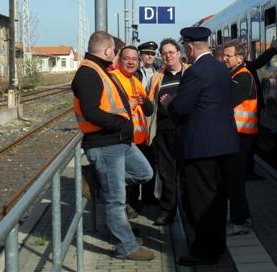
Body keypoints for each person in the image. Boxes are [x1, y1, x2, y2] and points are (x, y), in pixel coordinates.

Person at [160, 26, 239, 267]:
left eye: (184, 47)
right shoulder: (221, 68)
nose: (185, 51)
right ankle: (217, 246)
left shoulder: (195, 72)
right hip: (225, 145)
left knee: (200, 201)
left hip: (200, 147)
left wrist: (169, 103)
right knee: (217, 199)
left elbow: (182, 108)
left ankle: (203, 251)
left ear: (190, 47)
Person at [71, 31, 155, 261]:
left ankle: (98, 180)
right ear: (108, 50)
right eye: (115, 51)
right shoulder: (88, 73)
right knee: (116, 199)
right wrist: (120, 123)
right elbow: (91, 111)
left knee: (145, 173)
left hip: (120, 142)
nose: (116, 55)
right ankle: (125, 247)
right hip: (105, 143)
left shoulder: (102, 71)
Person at [146, 38, 189, 226]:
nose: (168, 56)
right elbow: (150, 103)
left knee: (188, 173)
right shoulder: (157, 77)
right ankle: (167, 211)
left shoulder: (191, 73)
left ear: (179, 53)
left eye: (171, 52)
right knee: (166, 172)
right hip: (163, 131)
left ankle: (189, 211)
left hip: (187, 130)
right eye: (164, 53)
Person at [110, 45, 156, 216]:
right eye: (127, 58)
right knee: (126, 182)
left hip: (139, 139)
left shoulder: (135, 81)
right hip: (123, 140)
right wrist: (125, 106)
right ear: (119, 60)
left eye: (134, 59)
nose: (131, 62)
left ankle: (133, 208)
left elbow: (149, 110)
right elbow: (105, 107)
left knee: (136, 181)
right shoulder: (113, 78)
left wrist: (144, 102)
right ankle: (125, 212)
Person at [222, 41, 257, 235]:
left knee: (235, 179)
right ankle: (242, 215)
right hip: (236, 134)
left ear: (239, 58)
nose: (224, 58)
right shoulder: (235, 74)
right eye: (224, 55)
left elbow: (226, 100)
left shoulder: (243, 77)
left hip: (241, 135)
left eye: (228, 55)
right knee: (233, 178)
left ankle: (240, 221)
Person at [244, 37, 277, 180]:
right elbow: (260, 62)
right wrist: (272, 49)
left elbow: (259, 62)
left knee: (249, 144)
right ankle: (248, 172)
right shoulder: (244, 67)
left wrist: (272, 49)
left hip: (250, 112)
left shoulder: (243, 67)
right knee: (249, 144)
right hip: (248, 115)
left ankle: (247, 170)